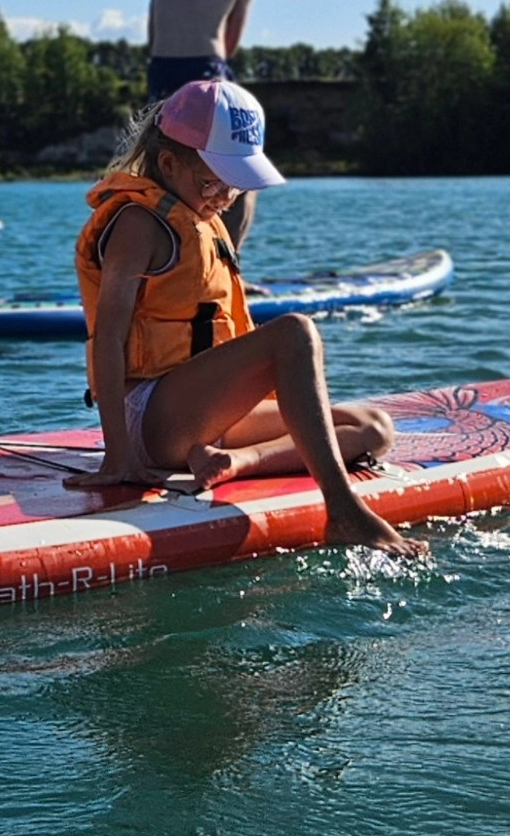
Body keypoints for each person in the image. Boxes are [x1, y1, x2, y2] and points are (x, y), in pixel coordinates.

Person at [68, 79, 427, 557]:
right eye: (212, 181)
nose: (223, 197)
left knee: (374, 428)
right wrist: (119, 456)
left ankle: (236, 461)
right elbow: (108, 338)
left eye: (234, 185)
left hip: (205, 415)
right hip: (150, 420)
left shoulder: (201, 217)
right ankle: (343, 509)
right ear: (169, 164)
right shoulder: (139, 223)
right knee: (295, 332)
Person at [147, 0, 259, 249]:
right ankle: (228, 263)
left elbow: (153, 30)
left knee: (164, 168)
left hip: (162, 71)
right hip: (207, 70)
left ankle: (162, 259)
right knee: (241, 171)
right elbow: (230, 43)